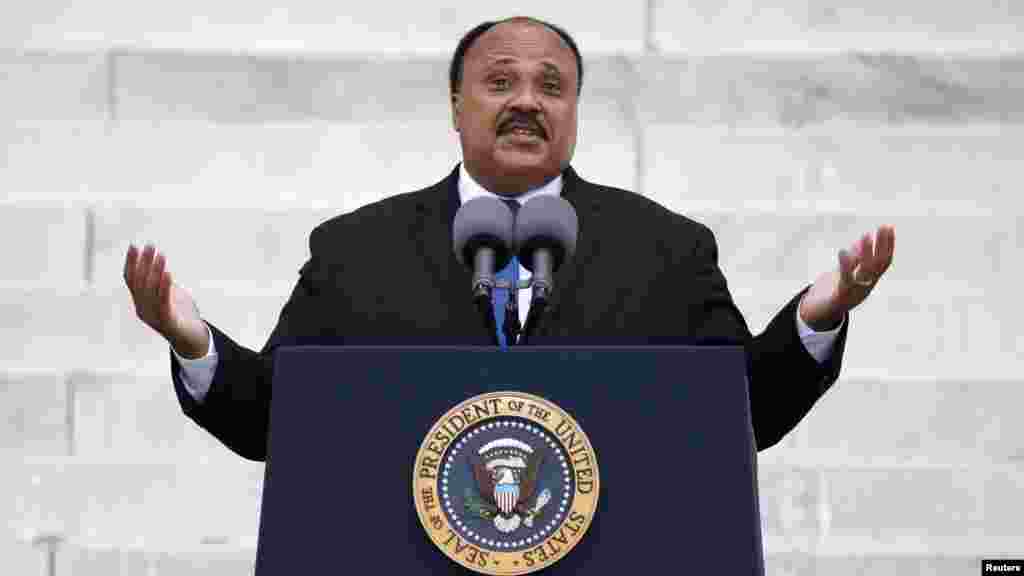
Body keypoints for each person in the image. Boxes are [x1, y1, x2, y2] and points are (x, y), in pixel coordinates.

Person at [123, 17, 894, 461]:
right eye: (500, 81)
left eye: (551, 86)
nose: (527, 100)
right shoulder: (357, 250)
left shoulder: (666, 249)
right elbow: (277, 423)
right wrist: (196, 342)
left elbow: (738, 417)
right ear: (456, 106)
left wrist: (813, 321)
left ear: (576, 111)